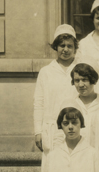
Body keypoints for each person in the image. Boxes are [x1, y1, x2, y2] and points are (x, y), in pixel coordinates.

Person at [34, 25, 80, 158]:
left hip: (75, 129)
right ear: (56, 47)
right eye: (62, 45)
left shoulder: (80, 70)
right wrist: (38, 132)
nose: (65, 50)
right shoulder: (46, 72)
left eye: (70, 46)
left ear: (75, 48)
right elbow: (39, 103)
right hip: (52, 130)